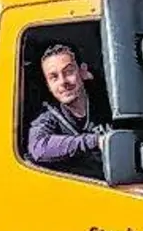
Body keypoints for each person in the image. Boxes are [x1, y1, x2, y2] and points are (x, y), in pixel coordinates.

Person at [27, 44, 110, 179]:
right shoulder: (47, 115)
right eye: (54, 77)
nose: (63, 82)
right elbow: (38, 148)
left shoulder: (108, 101)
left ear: (82, 71)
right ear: (48, 85)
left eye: (68, 72)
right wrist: (96, 141)